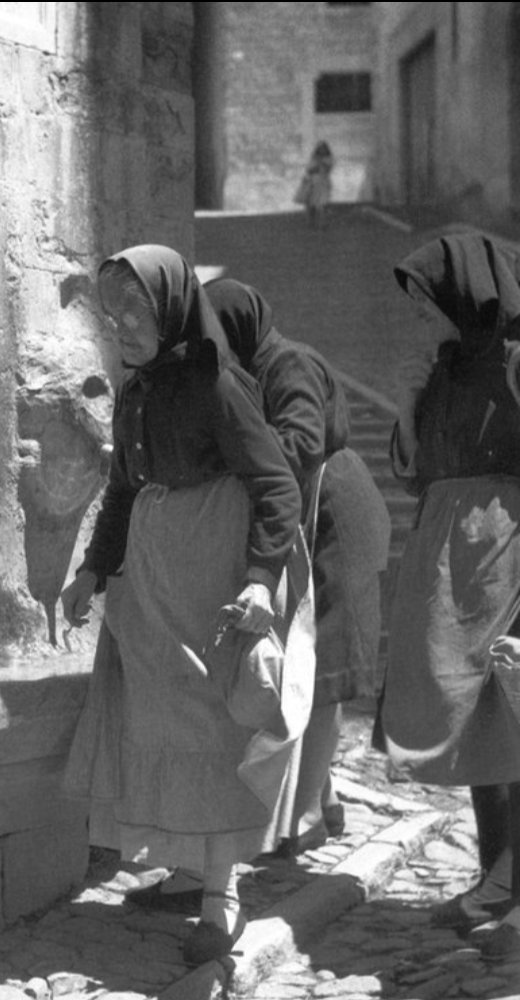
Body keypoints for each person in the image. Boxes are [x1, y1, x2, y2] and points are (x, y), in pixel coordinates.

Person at [61, 245, 309, 965]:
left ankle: (220, 898)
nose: (121, 326)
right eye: (112, 314)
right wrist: (93, 569)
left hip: (212, 574)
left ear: (170, 308)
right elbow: (123, 487)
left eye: (135, 311)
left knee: (210, 726)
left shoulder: (217, 385)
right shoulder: (135, 390)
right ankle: (189, 870)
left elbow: (277, 484)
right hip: (154, 578)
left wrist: (260, 579)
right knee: (161, 723)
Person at [206, 278, 391, 856]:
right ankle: (324, 797)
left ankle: (306, 816)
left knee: (327, 665)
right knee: (300, 662)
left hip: (335, 509)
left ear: (237, 326)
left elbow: (302, 442)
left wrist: (235, 457)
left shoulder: (289, 364)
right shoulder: (250, 369)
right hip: (306, 512)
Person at [375, 233, 520, 959]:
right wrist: (407, 403)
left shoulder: (516, 363)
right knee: (474, 723)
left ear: (463, 294)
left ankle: (509, 883)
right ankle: (497, 878)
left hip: (502, 550)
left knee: (512, 716)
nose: (418, 316)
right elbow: (414, 473)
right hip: (446, 553)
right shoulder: (443, 369)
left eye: (425, 302)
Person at [296, 141, 333, 230]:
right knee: (310, 204)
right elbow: (309, 170)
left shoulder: (329, 159)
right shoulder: (313, 158)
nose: (321, 151)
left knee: (322, 204)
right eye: (320, 149)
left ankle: (322, 223)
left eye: (323, 149)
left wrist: (320, 163)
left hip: (322, 183)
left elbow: (327, 169)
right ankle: (311, 222)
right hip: (312, 182)